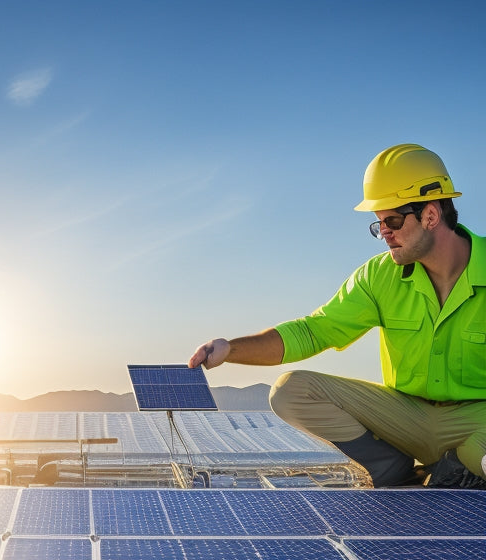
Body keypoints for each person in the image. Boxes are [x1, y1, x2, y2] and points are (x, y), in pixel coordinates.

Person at [189, 143, 486, 488]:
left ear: (431, 216)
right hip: (407, 416)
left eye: (391, 220)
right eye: (378, 224)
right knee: (291, 391)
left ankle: (461, 465)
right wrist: (231, 349)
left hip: (477, 421)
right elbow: (314, 331)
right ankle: (393, 467)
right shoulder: (378, 276)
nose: (384, 232)